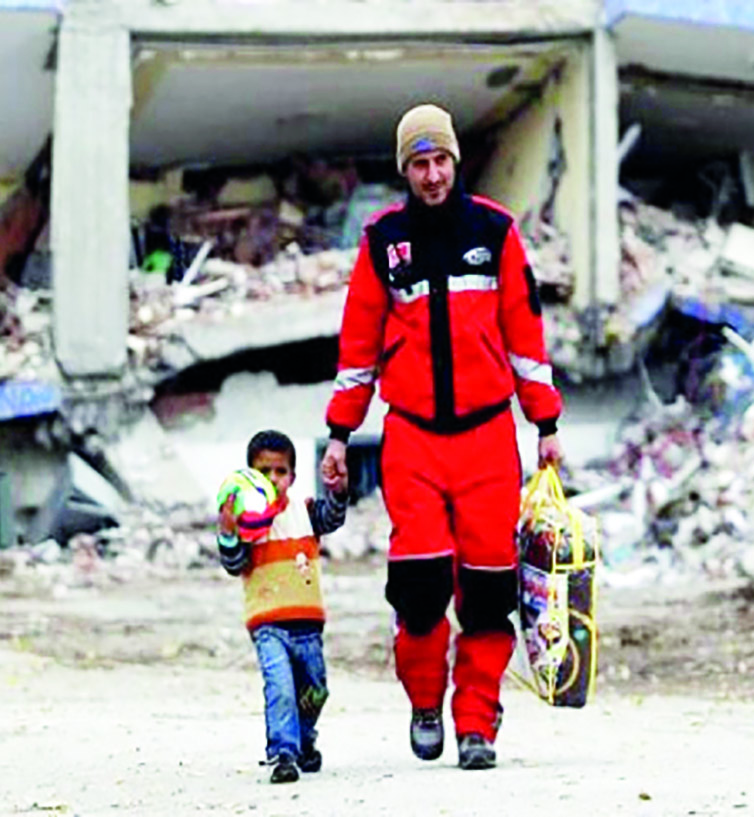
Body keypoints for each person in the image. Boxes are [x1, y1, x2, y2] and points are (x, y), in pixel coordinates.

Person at [319, 104, 564, 771]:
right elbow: (358, 348)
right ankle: (425, 701)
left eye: (440, 161)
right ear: (405, 170)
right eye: (419, 163)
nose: (432, 175)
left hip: (488, 438)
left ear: (456, 161)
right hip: (413, 440)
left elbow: (525, 336)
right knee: (420, 587)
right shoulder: (383, 241)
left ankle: (477, 722)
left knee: (488, 592)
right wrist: (339, 434)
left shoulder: (495, 231)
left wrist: (545, 424)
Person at [218, 430, 349, 784]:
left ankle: (304, 740)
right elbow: (233, 564)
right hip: (269, 624)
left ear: (292, 476)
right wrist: (228, 533)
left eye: (281, 471)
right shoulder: (248, 522)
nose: (273, 479)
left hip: (308, 624)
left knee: (316, 691)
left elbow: (333, 517)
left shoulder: (304, 511)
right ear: (250, 475)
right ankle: (283, 753)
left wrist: (338, 491)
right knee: (280, 689)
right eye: (264, 472)